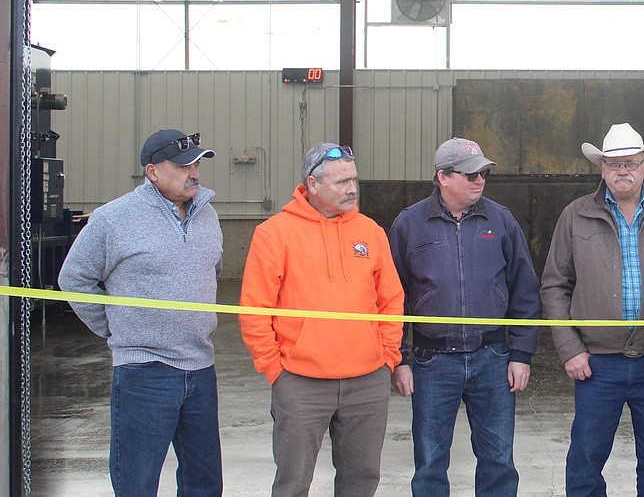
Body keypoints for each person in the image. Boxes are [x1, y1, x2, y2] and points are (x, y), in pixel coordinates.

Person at [58, 129, 222, 496]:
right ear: (153, 171)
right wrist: (114, 327)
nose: (194, 172)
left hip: (201, 368)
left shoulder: (207, 215)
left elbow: (211, 271)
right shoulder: (114, 219)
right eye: (183, 166)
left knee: (205, 483)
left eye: (197, 164)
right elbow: (74, 278)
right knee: (137, 482)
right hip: (144, 372)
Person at [240, 142, 405, 497]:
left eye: (353, 180)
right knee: (293, 482)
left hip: (367, 381)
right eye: (341, 182)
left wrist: (387, 359)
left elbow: (391, 300)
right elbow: (255, 310)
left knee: (362, 479)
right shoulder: (274, 234)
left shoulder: (371, 232)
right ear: (312, 185)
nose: (351, 189)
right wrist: (275, 370)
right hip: (300, 383)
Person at [541, 122, 644, 496]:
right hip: (595, 365)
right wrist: (570, 349)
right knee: (585, 462)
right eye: (613, 164)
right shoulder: (575, 215)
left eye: (631, 162)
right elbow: (554, 285)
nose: (623, 170)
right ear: (601, 168)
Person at [388, 137, 541, 497]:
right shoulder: (409, 224)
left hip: (492, 358)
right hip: (432, 361)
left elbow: (525, 289)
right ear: (442, 177)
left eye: (483, 173)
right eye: (470, 174)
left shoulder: (500, 220)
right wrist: (399, 359)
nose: (479, 180)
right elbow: (393, 298)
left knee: (498, 460)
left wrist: (521, 354)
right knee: (429, 461)